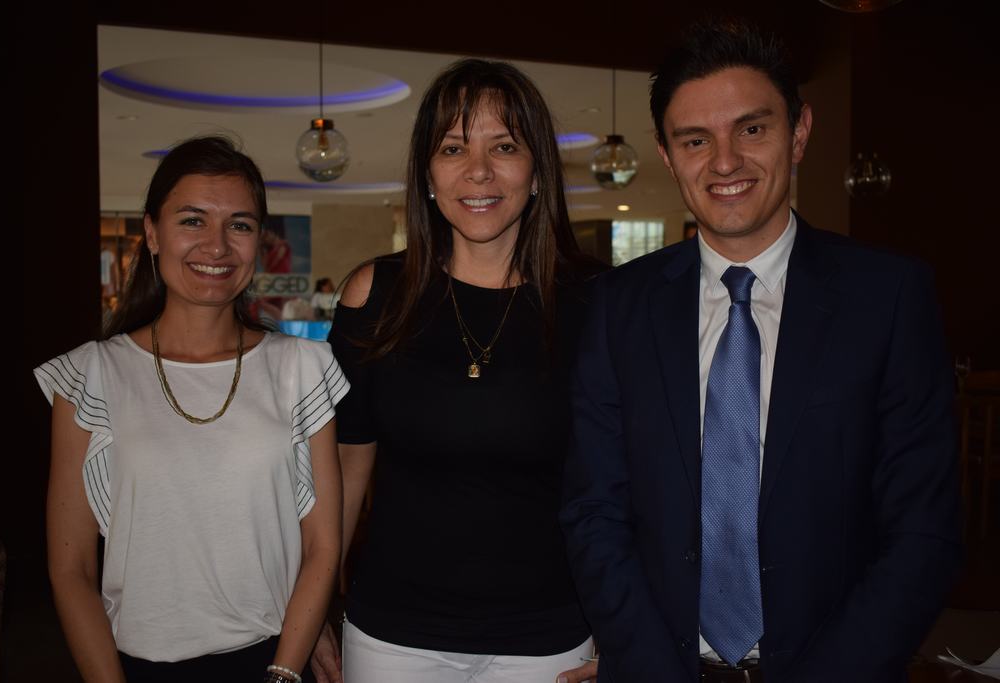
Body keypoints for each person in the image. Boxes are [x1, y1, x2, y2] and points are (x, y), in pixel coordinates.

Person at [560, 19, 961, 683]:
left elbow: (925, 530)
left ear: (799, 132)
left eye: (752, 129)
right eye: (696, 139)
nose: (724, 161)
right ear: (667, 154)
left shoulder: (887, 297)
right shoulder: (617, 305)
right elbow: (594, 511)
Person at [312, 58, 602, 683]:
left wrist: (625, 628)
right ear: (426, 173)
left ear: (538, 171)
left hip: (550, 636)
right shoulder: (375, 294)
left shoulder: (595, 303)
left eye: (504, 146)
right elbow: (342, 475)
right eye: (453, 148)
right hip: (394, 636)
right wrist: (310, 612)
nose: (478, 171)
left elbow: (630, 486)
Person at [36, 136, 348, 682]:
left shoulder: (303, 367)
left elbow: (322, 547)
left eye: (241, 225)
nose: (218, 246)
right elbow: (71, 568)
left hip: (273, 660)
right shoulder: (91, 376)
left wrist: (283, 673)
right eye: (193, 221)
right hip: (135, 667)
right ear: (152, 233)